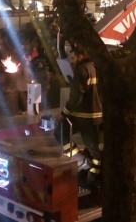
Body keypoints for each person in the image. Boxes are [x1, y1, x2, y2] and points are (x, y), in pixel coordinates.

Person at [53, 43, 102, 189]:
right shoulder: (95, 67)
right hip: (94, 115)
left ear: (81, 56)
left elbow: (75, 97)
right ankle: (90, 174)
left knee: (60, 131)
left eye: (73, 57)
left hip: (82, 116)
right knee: (93, 149)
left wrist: (63, 114)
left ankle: (86, 168)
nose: (71, 61)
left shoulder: (81, 70)